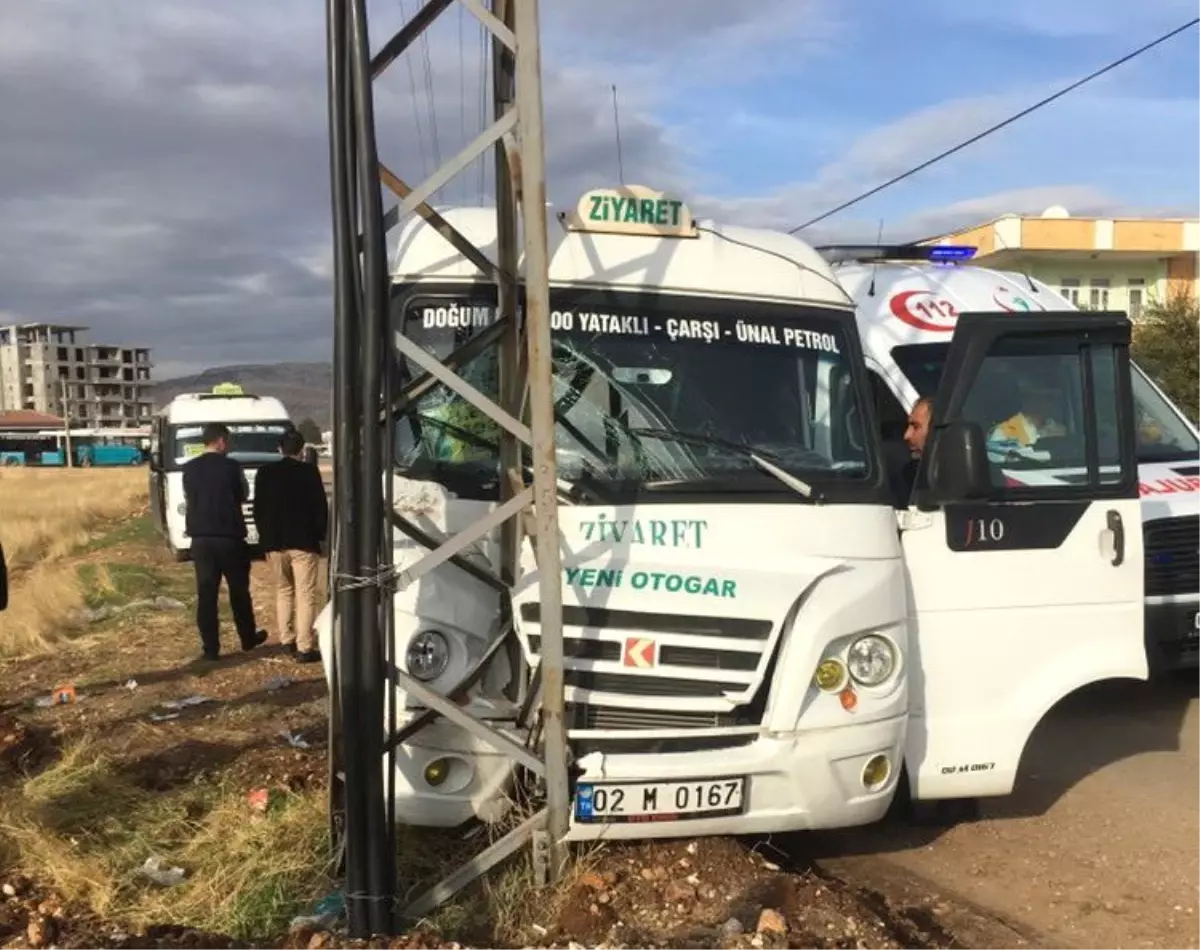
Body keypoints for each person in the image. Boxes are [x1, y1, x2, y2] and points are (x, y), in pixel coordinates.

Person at [181, 422, 267, 660]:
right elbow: (243, 494)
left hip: (201, 539)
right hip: (229, 537)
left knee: (206, 594)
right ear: (220, 441)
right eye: (226, 441)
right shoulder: (232, 467)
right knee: (239, 591)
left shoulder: (189, 468)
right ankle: (248, 638)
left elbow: (190, 496)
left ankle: (211, 648)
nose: (227, 446)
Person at [252, 428, 328, 663]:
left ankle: (287, 639)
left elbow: (258, 510)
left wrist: (264, 538)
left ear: (279, 449)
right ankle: (304, 646)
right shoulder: (309, 472)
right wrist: (320, 535)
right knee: (305, 594)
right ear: (303, 450)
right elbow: (320, 507)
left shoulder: (264, 473)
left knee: (283, 590)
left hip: (274, 542)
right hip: (303, 542)